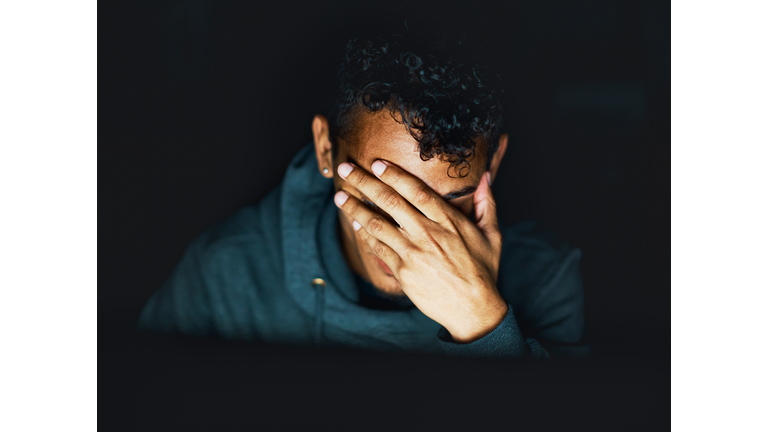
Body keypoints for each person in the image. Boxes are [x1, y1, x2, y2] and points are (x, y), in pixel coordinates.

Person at [137, 27, 589, 359]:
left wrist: (484, 326)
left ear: (493, 163)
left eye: (450, 201)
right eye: (382, 191)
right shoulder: (225, 272)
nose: (414, 236)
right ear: (325, 149)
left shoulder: (546, 278)